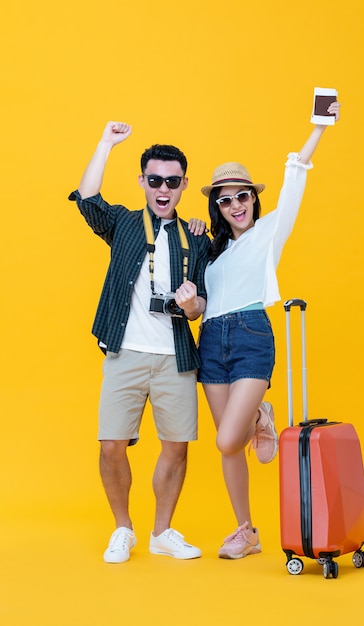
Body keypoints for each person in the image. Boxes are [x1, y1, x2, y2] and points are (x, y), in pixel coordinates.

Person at [197, 100, 341, 559]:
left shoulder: (270, 233)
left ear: (253, 199)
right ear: (218, 207)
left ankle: (261, 413)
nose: (236, 205)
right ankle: (246, 531)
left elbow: (296, 176)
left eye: (243, 196)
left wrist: (317, 127)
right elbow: (196, 298)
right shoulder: (212, 253)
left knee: (226, 437)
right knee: (228, 450)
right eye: (225, 199)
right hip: (210, 342)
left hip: (250, 335)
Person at [68, 121, 211, 563]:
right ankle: (123, 529)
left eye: (172, 181)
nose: (163, 188)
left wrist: (191, 306)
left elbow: (201, 302)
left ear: (184, 184)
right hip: (125, 350)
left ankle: (162, 532)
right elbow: (88, 198)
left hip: (175, 357)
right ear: (143, 182)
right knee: (111, 443)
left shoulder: (197, 236)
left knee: (176, 446)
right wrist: (106, 143)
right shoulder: (126, 225)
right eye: (155, 180)